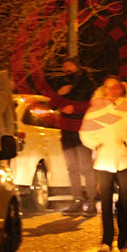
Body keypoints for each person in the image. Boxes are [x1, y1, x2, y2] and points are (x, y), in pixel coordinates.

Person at [79, 75, 127, 252]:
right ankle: (106, 241)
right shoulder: (96, 110)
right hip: (103, 162)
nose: (111, 91)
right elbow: (85, 131)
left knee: (125, 203)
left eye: (115, 87)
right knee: (105, 203)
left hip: (126, 161)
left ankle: (124, 240)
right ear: (103, 90)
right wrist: (96, 144)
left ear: (121, 89)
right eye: (108, 87)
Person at [57, 58, 97, 215]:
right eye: (64, 66)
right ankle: (77, 200)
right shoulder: (61, 83)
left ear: (77, 66)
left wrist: (75, 108)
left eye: (69, 65)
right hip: (66, 131)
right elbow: (52, 102)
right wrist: (59, 96)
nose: (66, 68)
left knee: (87, 168)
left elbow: (94, 104)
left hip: (82, 130)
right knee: (71, 168)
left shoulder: (87, 82)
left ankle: (92, 202)